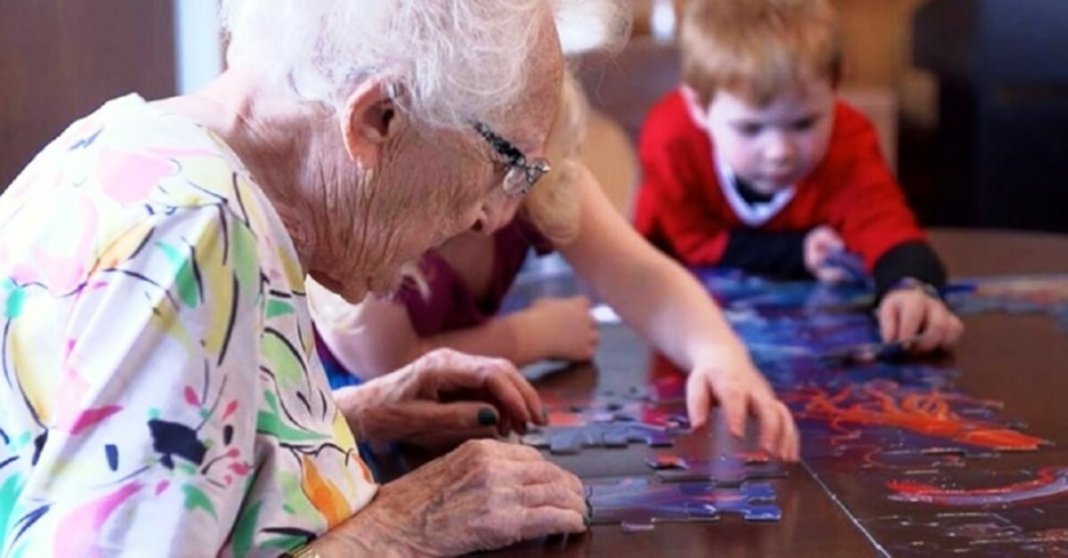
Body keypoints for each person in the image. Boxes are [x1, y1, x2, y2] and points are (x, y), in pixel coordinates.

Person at [0, 1, 632, 555]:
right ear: (377, 118)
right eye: (507, 163)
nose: (492, 214)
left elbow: (144, 463)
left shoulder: (121, 139)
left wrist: (344, 417)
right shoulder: (194, 229)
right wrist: (399, 531)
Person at [310, 73, 799, 462]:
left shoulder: (537, 173)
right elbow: (394, 371)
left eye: (524, 172)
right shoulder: (368, 206)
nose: (499, 212)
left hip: (463, 425)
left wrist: (719, 354)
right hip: (336, 431)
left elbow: (647, 281)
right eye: (487, 173)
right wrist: (532, 336)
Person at [633, 0, 964, 352]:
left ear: (836, 89)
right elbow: (693, 242)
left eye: (804, 123)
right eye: (750, 128)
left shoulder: (849, 140)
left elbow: (888, 227)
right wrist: (796, 251)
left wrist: (911, 286)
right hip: (675, 326)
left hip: (810, 340)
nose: (779, 150)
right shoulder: (670, 138)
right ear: (699, 107)